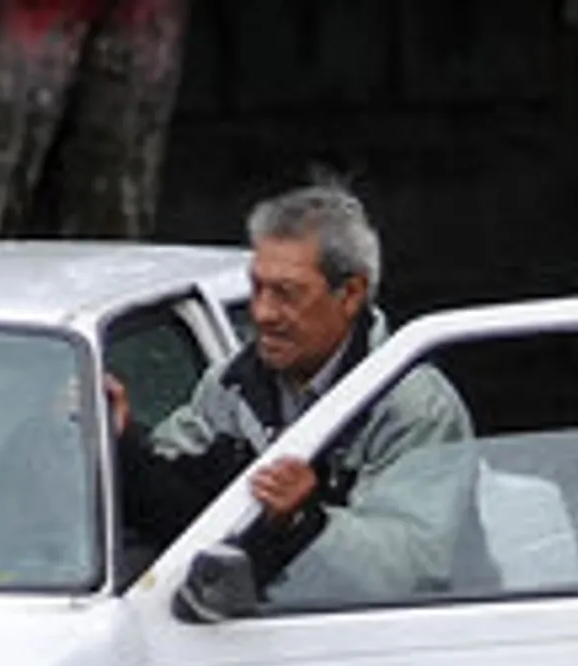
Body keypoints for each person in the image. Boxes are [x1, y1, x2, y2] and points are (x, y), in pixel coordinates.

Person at [114, 181, 478, 603]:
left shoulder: (414, 407)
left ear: (351, 294)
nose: (263, 314)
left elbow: (415, 568)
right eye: (257, 289)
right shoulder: (233, 384)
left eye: (286, 294)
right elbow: (180, 502)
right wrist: (123, 442)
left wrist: (307, 519)